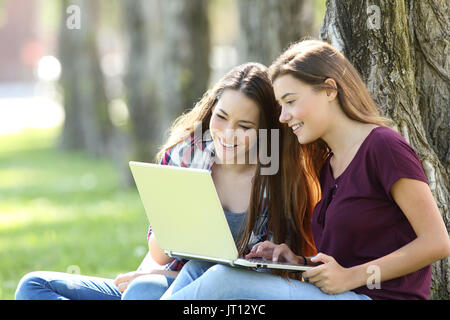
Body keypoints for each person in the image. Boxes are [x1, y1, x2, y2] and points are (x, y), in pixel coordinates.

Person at [161, 40, 450, 300]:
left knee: (224, 282)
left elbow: (437, 242)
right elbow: (343, 259)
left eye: (290, 102)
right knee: (201, 267)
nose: (284, 117)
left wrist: (354, 276)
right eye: (280, 106)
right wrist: (299, 261)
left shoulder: (383, 147)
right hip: (336, 294)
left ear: (329, 90)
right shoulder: (329, 164)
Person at [15, 62, 318, 300]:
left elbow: (251, 281)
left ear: (267, 129)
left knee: (144, 292)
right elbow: (159, 254)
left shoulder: (280, 180)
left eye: (245, 126)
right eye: (221, 117)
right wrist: (177, 199)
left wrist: (153, 283)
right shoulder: (186, 154)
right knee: (35, 286)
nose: (227, 133)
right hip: (157, 282)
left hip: (219, 298)